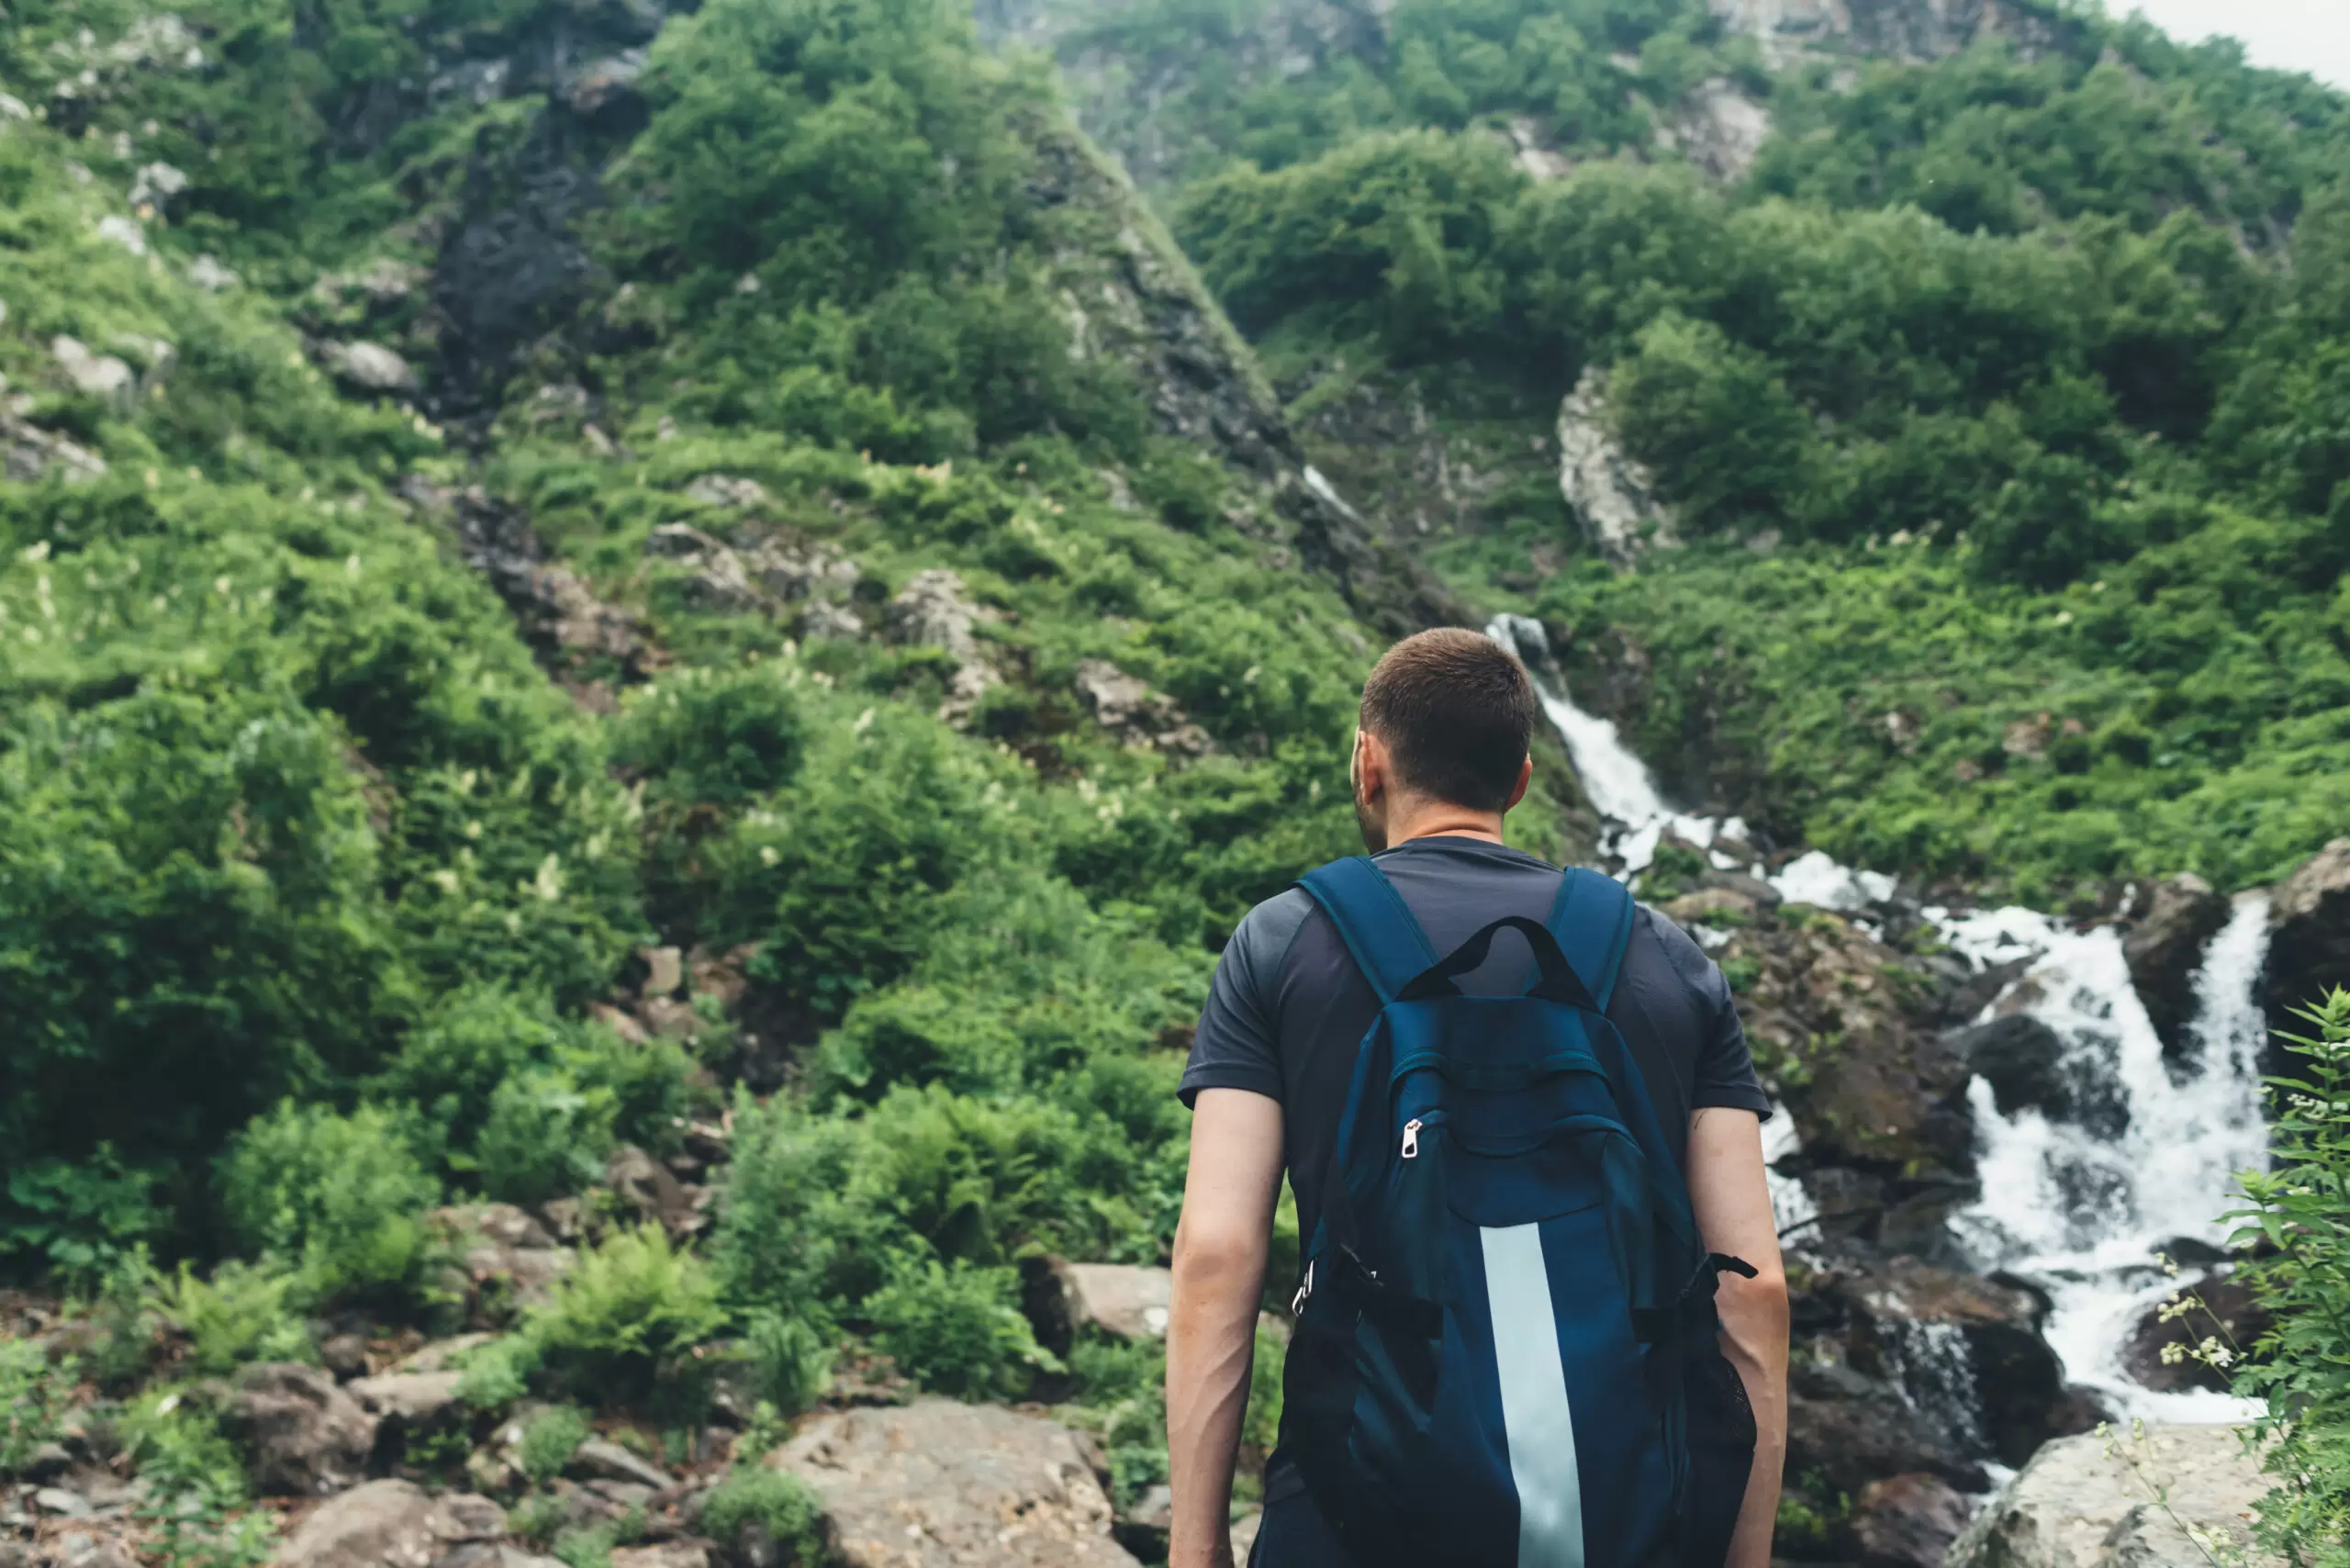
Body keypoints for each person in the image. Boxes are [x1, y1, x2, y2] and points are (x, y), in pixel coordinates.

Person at [1164, 627, 1788, 1568]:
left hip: (1352, 1511)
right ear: (1523, 778)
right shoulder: (1668, 958)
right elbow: (1755, 1289)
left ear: (1367, 763)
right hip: (1624, 1517)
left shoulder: (1282, 945)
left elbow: (1217, 1255)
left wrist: (1193, 1546)